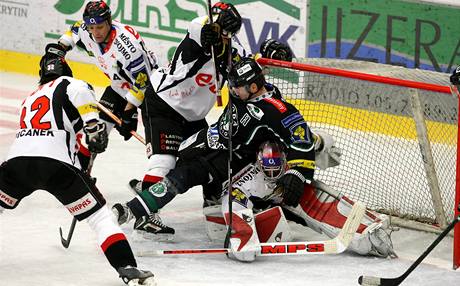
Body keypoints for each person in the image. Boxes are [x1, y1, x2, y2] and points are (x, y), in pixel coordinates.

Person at [114, 2, 293, 237]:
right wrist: (211, 30)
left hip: (193, 115)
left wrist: (267, 59)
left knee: (208, 158)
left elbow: (247, 73)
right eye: (222, 30)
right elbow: (196, 29)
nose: (224, 35)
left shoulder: (231, 47)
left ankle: (212, 205)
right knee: (165, 160)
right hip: (164, 104)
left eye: (229, 32)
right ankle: (146, 214)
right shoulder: (200, 32)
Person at [113, 57, 316, 253]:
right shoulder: (241, 93)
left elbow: (302, 138)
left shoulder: (275, 109)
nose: (232, 90)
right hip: (209, 143)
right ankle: (196, 200)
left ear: (253, 88)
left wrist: (298, 172)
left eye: (237, 86)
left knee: (182, 177)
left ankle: (133, 209)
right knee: (179, 165)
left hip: (231, 160)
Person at [0, 47, 156, 286]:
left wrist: (81, 163)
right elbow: (81, 95)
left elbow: (55, 135)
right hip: (56, 165)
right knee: (100, 217)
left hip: (16, 163)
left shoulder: (30, 97)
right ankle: (127, 268)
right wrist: (94, 127)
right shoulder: (70, 83)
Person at [203, 140, 396, 261]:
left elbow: (318, 144)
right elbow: (234, 198)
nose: (271, 174)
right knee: (234, 220)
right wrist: (243, 235)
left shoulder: (293, 148)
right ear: (258, 162)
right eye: (267, 169)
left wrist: (321, 145)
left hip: (287, 195)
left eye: (276, 168)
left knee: (315, 198)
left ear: (285, 158)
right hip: (259, 206)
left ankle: (368, 230)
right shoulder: (249, 179)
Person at [56, 0, 159, 168]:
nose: (95, 32)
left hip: (152, 93)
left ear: (109, 22)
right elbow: (73, 32)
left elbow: (143, 83)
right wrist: (58, 50)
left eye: (100, 27)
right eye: (92, 27)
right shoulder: (86, 28)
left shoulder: (127, 46)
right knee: (96, 132)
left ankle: (157, 180)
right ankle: (83, 174)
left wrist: (128, 113)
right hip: (120, 87)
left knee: (157, 144)